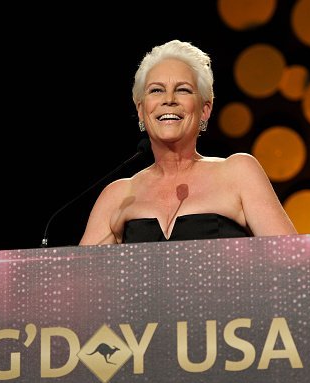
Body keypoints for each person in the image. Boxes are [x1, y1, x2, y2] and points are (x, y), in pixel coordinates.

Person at [79, 39, 296, 245]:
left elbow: (297, 266)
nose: (169, 99)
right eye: (156, 90)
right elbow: (79, 281)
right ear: (141, 111)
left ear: (204, 110)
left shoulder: (238, 173)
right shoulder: (117, 196)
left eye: (183, 90)